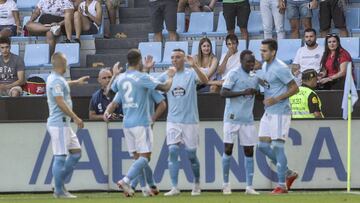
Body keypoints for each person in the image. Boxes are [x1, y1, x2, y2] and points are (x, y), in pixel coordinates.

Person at [103, 49, 175, 197]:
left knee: (139, 159)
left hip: (127, 123)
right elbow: (166, 87)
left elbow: (110, 92)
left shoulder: (121, 78)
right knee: (145, 157)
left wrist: (115, 75)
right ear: (139, 61)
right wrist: (170, 76)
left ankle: (150, 187)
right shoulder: (142, 78)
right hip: (141, 123)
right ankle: (126, 180)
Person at [157, 49, 208, 196]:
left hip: (190, 121)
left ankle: (197, 183)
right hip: (173, 120)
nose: (174, 60)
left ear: (184, 59)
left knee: (191, 155)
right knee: (172, 151)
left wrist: (195, 66)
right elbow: (153, 84)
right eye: (172, 57)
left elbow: (205, 81)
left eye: (178, 57)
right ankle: (174, 187)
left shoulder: (191, 73)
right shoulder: (167, 75)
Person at [256, 39, 299, 194]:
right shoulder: (266, 65)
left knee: (278, 147)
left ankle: (282, 185)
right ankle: (288, 173)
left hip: (280, 111)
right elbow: (268, 84)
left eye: (264, 51)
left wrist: (276, 99)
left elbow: (295, 88)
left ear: (273, 52)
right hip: (268, 111)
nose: (261, 53)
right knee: (262, 146)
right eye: (261, 50)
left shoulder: (280, 67)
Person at [46, 52, 89, 198]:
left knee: (76, 153)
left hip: (64, 124)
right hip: (59, 124)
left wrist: (76, 82)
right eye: (66, 62)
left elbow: (62, 86)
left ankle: (57, 182)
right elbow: (60, 101)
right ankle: (59, 191)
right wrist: (75, 117)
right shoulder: (56, 81)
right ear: (63, 64)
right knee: (60, 157)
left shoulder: (56, 79)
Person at [220, 50, 260, 195]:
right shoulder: (233, 74)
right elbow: (223, 93)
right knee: (228, 149)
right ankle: (225, 184)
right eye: (248, 61)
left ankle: (249, 186)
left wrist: (257, 93)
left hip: (247, 119)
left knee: (249, 152)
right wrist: (243, 92)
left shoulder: (255, 77)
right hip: (231, 118)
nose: (251, 64)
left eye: (252, 62)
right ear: (241, 61)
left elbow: (258, 95)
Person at [129, 55, 166, 197]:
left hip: (142, 124)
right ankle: (149, 186)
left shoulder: (148, 88)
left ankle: (136, 185)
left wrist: (152, 119)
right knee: (142, 159)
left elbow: (162, 103)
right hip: (135, 124)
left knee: (142, 158)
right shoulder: (135, 87)